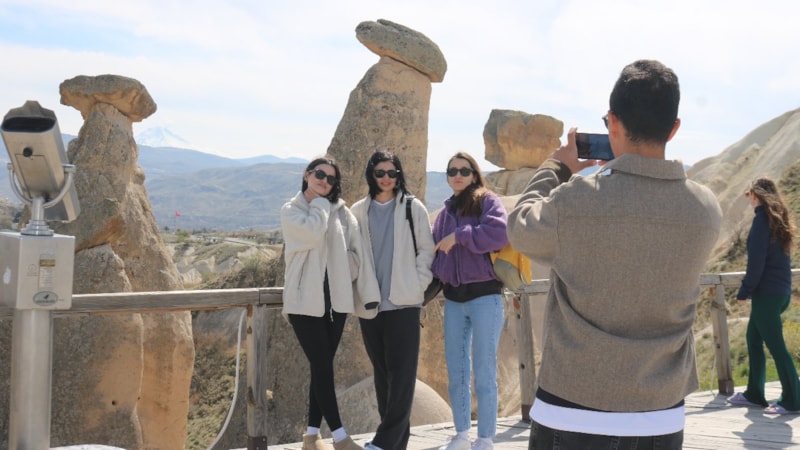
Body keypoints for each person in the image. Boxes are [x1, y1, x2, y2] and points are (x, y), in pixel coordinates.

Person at [507, 60, 723, 449]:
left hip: (571, 408)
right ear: (673, 128)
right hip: (661, 412)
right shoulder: (705, 209)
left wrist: (557, 166)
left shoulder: (576, 201)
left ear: (612, 123)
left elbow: (520, 226)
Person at [281, 157, 380, 450]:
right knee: (323, 366)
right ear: (307, 175)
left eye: (331, 179)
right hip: (303, 303)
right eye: (320, 175)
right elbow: (311, 234)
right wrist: (322, 205)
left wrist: (346, 266)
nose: (325, 181)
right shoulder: (292, 210)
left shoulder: (343, 213)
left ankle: (311, 437)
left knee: (320, 368)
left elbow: (356, 250)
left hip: (336, 302)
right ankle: (339, 437)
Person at [351, 150, 435, 450]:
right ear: (371, 175)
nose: (386, 178)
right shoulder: (358, 211)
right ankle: (396, 444)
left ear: (399, 175)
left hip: (403, 303)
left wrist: (417, 285)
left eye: (392, 173)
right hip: (370, 304)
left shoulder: (413, 208)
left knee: (402, 376)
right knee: (383, 375)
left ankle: (385, 441)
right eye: (380, 173)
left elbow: (427, 251)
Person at [431, 151, 509, 450]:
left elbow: (499, 233)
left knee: (485, 370)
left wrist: (460, 236)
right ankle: (462, 434)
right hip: (453, 300)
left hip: (485, 297)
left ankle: (486, 438)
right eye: (452, 171)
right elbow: (436, 251)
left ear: (475, 174)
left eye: (464, 170)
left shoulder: (487, 201)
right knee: (457, 370)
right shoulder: (445, 211)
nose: (458, 175)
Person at [726, 177, 800, 414]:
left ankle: (793, 400)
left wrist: (744, 291)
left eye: (749, 194)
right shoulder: (779, 220)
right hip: (780, 292)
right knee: (754, 340)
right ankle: (754, 394)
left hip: (766, 295)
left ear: (755, 195)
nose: (748, 199)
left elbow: (756, 264)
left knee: (777, 348)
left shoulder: (761, 221)